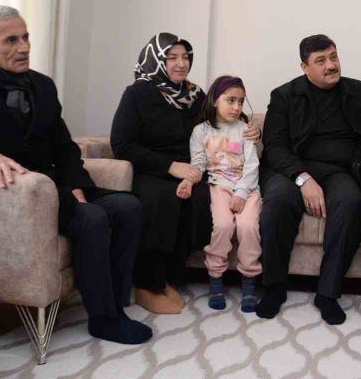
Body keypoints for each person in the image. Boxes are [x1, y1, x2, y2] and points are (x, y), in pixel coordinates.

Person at [0, 5, 151, 344]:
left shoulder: (42, 85)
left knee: (128, 206)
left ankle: (115, 303)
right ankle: (103, 320)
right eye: (11, 40)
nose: (24, 47)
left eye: (26, 37)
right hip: (8, 198)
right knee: (92, 218)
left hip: (53, 187)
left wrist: (76, 186)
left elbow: (64, 147)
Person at [256, 34, 361, 325]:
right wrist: (303, 178)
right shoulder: (284, 96)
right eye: (321, 60)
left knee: (351, 202)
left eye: (333, 56)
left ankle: (327, 292)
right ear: (304, 67)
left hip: (338, 171)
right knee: (278, 202)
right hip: (291, 169)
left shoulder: (356, 91)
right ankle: (273, 286)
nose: (331, 65)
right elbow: (275, 147)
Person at [110, 33, 260, 314]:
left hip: (193, 168)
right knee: (161, 200)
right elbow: (122, 144)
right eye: (172, 57)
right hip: (152, 170)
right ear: (157, 59)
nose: (181, 63)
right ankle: (146, 284)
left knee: (203, 199)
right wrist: (170, 166)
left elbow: (221, 121)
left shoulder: (194, 95)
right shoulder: (137, 94)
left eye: (185, 57)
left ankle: (169, 278)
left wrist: (252, 130)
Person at [177, 75, 262, 313]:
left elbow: (252, 165)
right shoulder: (200, 131)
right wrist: (188, 180)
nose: (236, 107)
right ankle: (215, 280)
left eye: (241, 102)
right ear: (215, 100)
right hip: (218, 187)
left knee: (248, 227)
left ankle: (249, 283)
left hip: (247, 189)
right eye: (230, 100)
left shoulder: (245, 130)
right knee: (222, 226)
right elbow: (198, 162)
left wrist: (242, 194)